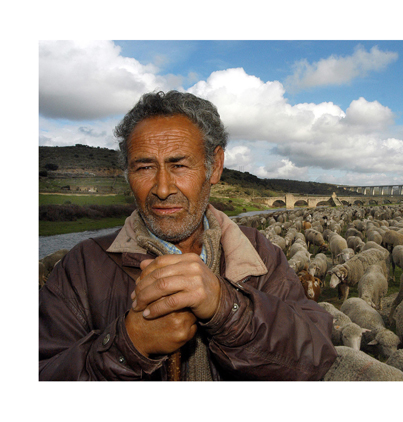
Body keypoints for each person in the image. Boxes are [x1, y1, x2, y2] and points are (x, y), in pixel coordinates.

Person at [39, 90, 337, 381]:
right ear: (128, 174)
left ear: (215, 166)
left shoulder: (261, 254)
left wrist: (228, 308)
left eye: (179, 165)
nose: (163, 188)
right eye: (144, 166)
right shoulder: (81, 268)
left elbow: (316, 357)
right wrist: (127, 346)